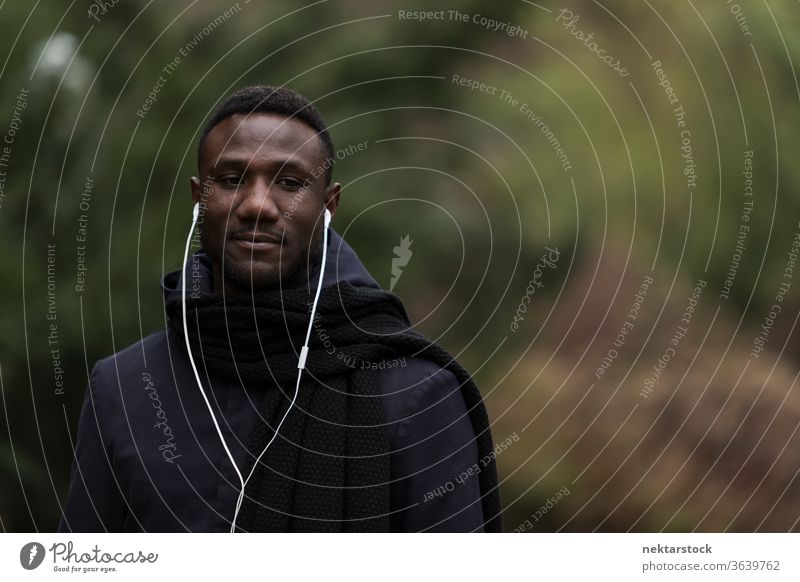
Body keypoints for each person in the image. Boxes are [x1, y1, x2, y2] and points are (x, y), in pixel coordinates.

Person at [58, 85, 502, 532]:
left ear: (329, 206)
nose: (257, 206)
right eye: (231, 180)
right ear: (199, 199)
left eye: (290, 183)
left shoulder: (417, 394)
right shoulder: (124, 385)